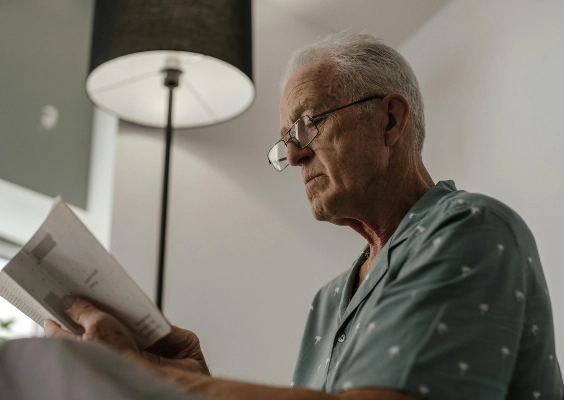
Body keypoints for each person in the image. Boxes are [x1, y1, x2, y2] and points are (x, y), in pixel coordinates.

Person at [44, 32, 562, 399]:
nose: (293, 156)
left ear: (389, 119)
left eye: (308, 124)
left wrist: (159, 381)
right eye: (285, 141)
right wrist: (187, 381)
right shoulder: (330, 300)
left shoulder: (470, 228)